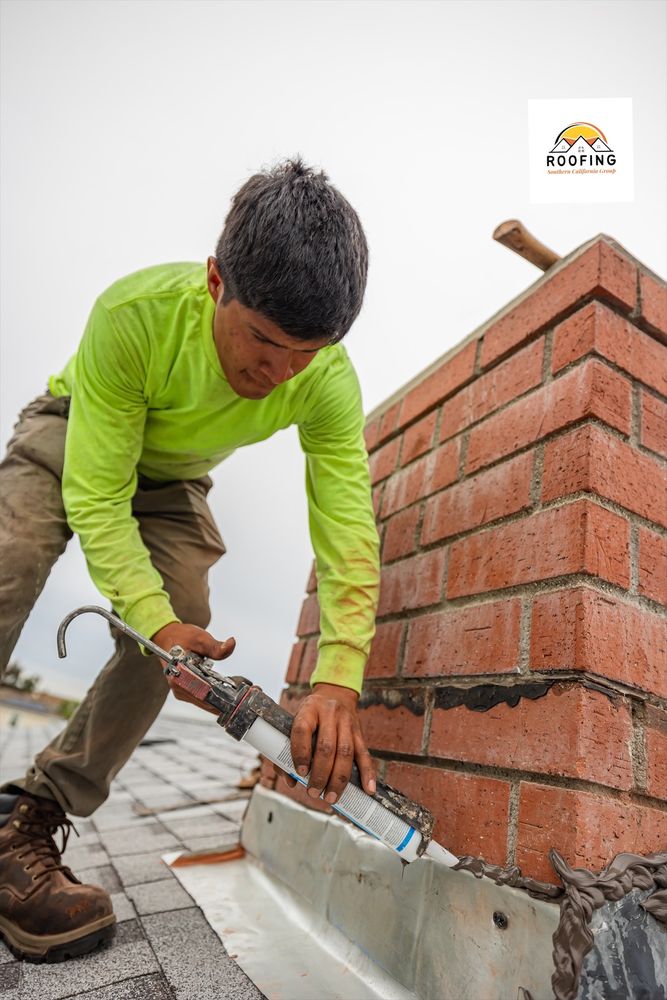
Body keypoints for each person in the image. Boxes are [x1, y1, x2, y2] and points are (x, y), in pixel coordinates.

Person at [0, 159, 380, 962]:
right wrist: (148, 616)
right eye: (265, 342)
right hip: (78, 428)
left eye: (304, 355)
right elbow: (98, 496)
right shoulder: (133, 315)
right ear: (215, 281)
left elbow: (346, 523)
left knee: (181, 633)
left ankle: (26, 820)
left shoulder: (325, 381)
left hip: (171, 476)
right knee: (12, 555)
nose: (278, 375)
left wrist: (340, 674)